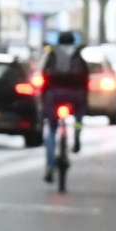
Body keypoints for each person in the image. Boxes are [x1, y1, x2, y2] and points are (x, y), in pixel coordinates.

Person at [39, 30, 90, 181]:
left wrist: (43, 102)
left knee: (52, 129)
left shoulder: (52, 54)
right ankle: (77, 136)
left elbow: (43, 76)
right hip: (75, 95)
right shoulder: (78, 54)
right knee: (79, 116)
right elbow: (85, 78)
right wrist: (84, 99)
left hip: (54, 95)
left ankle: (49, 164)